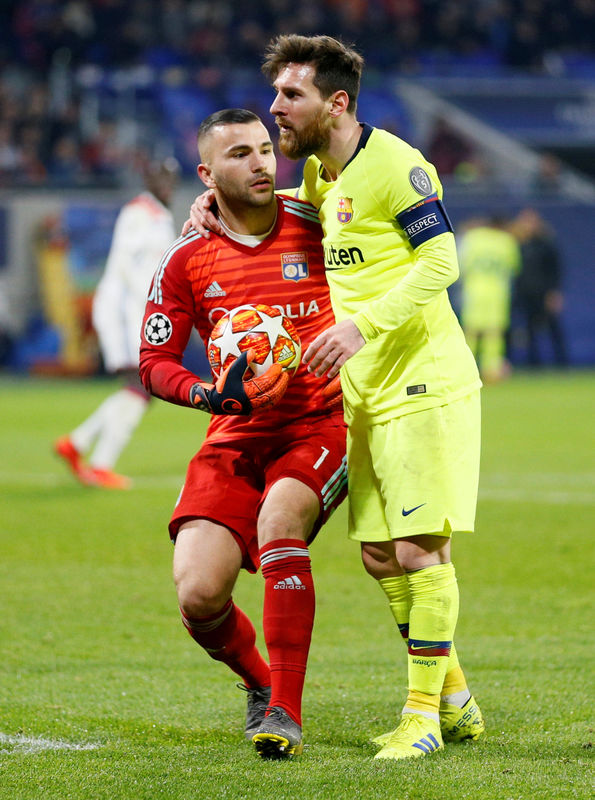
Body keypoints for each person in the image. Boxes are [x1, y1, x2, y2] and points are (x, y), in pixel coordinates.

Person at [186, 34, 485, 761]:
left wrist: (361, 325)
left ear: (336, 102)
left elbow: (442, 259)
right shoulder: (324, 174)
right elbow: (307, 204)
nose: (274, 110)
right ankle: (455, 700)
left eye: (290, 96)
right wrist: (216, 198)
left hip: (421, 381)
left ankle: (421, 720)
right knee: (382, 557)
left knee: (419, 549)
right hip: (369, 392)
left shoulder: (397, 166)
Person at [139, 109, 347, 760]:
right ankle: (258, 683)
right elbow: (153, 361)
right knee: (199, 593)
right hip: (234, 433)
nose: (260, 162)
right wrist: (207, 394)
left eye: (264, 149)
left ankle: (286, 709)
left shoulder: (319, 228)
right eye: (238, 155)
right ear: (206, 174)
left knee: (280, 520)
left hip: (318, 422)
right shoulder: (185, 258)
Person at [54, 158, 180, 488]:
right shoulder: (138, 212)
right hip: (126, 310)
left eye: (171, 178)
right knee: (142, 386)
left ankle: (77, 443)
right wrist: (147, 313)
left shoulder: (161, 216)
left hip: (139, 311)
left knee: (140, 388)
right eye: (160, 176)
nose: (166, 183)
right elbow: (125, 265)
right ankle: (99, 463)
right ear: (147, 178)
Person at [458, 215, 521, 382]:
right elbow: (513, 267)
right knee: (494, 332)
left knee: (470, 331)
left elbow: (461, 264)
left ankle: (464, 370)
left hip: (474, 290)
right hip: (497, 292)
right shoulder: (507, 240)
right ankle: (491, 371)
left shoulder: (473, 237)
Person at [512, 207, 568, 367]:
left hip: (544, 293)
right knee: (529, 330)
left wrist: (554, 292)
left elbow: (555, 270)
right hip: (525, 294)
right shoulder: (518, 245)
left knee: (553, 328)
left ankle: (562, 363)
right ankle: (533, 364)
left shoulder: (546, 244)